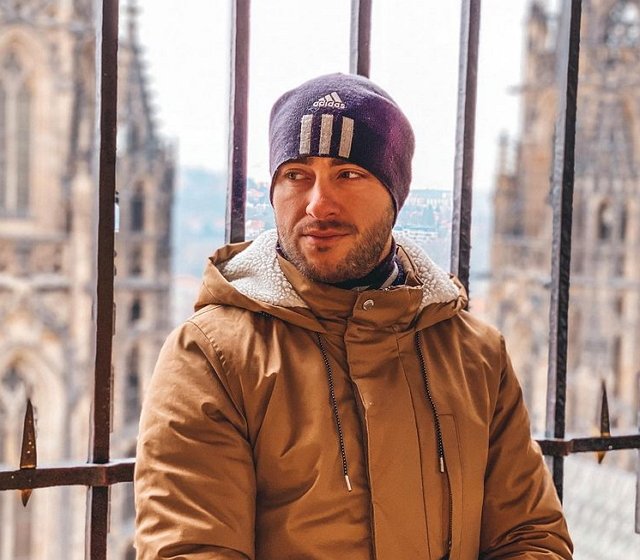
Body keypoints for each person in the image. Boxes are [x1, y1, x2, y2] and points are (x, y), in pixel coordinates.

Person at [134, 73, 573, 559]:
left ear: (395, 195)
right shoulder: (212, 355)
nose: (318, 204)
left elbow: (531, 538)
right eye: (296, 175)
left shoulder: (475, 355)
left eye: (348, 174)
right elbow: (191, 548)